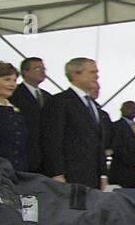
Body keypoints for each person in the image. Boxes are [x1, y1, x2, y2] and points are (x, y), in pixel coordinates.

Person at [41, 57, 108, 188]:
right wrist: (57, 173)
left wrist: (103, 174)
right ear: (75, 74)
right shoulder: (59, 102)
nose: (96, 76)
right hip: (70, 175)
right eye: (92, 72)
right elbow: (52, 140)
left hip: (93, 177)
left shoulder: (94, 106)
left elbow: (98, 141)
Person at [0, 61, 31, 172]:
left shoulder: (15, 111)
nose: (12, 84)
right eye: (7, 79)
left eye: (14, 80)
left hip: (18, 175)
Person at [7, 57, 50, 173]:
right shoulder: (14, 94)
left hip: (44, 156)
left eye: (43, 68)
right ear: (25, 72)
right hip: (23, 153)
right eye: (37, 68)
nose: (42, 71)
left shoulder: (48, 97)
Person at [107, 100, 135, 188]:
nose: (133, 110)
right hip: (121, 171)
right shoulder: (113, 127)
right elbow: (116, 147)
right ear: (121, 110)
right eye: (129, 107)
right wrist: (133, 162)